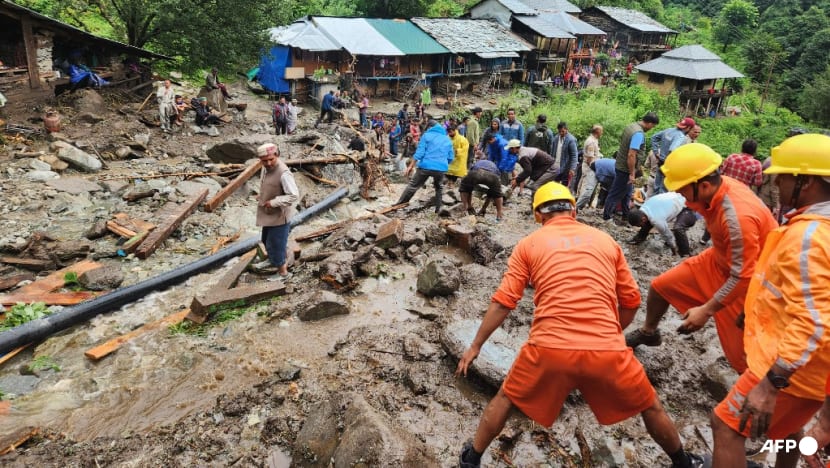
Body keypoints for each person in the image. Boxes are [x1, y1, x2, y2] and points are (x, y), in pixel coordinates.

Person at [456, 182, 703, 468]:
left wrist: (475, 346)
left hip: (548, 347)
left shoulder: (528, 244)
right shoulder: (605, 240)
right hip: (607, 348)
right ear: (573, 210)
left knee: (506, 398)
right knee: (650, 405)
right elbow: (632, 301)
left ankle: (471, 459)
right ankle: (682, 461)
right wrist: (610, 335)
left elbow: (503, 302)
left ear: (538, 215)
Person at [710, 134, 830, 468]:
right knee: (787, 428)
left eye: (784, 176)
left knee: (726, 427)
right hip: (815, 370)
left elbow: (817, 320)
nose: (776, 182)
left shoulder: (810, 237)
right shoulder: (816, 226)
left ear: (806, 182)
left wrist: (772, 383)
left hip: (792, 369)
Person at [625, 143, 778, 375]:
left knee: (742, 357)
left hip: (748, 282)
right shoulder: (715, 190)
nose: (681, 197)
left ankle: (760, 397)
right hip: (719, 259)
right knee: (659, 287)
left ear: (704, 185)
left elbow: (743, 275)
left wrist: (706, 310)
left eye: (683, 190)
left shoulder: (737, 218)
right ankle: (649, 332)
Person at [252, 143, 299, 279]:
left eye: (271, 159)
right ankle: (272, 261)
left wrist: (273, 202)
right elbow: (267, 183)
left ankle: (283, 273)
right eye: (264, 160)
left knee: (277, 244)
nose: (268, 163)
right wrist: (262, 195)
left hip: (279, 216)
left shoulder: (284, 173)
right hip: (269, 214)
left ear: (277, 155)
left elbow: (293, 196)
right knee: (266, 240)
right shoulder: (265, 168)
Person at [603, 112, 660, 223]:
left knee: (628, 194)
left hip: (621, 165)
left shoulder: (631, 126)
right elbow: (631, 154)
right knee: (616, 193)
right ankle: (607, 217)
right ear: (649, 123)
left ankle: (626, 217)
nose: (652, 128)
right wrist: (632, 173)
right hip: (625, 169)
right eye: (652, 126)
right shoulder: (638, 133)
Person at [396, 120, 454, 213]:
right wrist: (443, 164)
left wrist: (411, 166)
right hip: (440, 168)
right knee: (439, 187)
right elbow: (451, 157)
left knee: (413, 185)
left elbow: (419, 153)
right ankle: (438, 210)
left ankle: (399, 204)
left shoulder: (426, 136)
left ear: (430, 128)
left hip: (425, 166)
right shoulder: (447, 139)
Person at [627, 192, 697, 257]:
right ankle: (639, 238)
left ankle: (685, 254)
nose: (639, 227)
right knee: (647, 223)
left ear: (643, 219)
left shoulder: (657, 221)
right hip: (676, 197)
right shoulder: (643, 209)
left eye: (639, 225)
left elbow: (667, 235)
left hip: (687, 206)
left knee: (678, 228)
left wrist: (673, 249)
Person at [650, 117, 696, 195]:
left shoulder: (669, 130)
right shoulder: (681, 137)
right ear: (688, 128)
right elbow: (672, 149)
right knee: (664, 191)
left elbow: (654, 137)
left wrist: (656, 152)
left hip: (660, 162)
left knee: (656, 187)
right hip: (668, 166)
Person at [576, 125, 604, 209]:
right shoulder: (591, 142)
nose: (602, 133)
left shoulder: (595, 140)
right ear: (597, 132)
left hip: (592, 167)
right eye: (601, 131)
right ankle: (580, 206)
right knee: (586, 186)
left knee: (587, 186)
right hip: (590, 168)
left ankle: (583, 204)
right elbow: (589, 159)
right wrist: (594, 168)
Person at [550, 122, 579, 189]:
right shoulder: (556, 138)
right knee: (555, 181)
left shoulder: (571, 140)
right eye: (559, 131)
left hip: (566, 166)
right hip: (555, 164)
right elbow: (552, 151)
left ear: (566, 129)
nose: (561, 133)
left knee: (564, 184)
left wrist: (572, 168)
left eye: (562, 131)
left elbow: (574, 155)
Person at [445, 123, 469, 188]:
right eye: (449, 132)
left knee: (456, 172)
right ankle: (449, 182)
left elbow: (465, 147)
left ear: (455, 130)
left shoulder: (462, 139)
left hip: (458, 158)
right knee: (448, 170)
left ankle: (452, 182)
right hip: (449, 157)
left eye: (451, 132)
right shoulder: (447, 138)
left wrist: (459, 151)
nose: (450, 133)